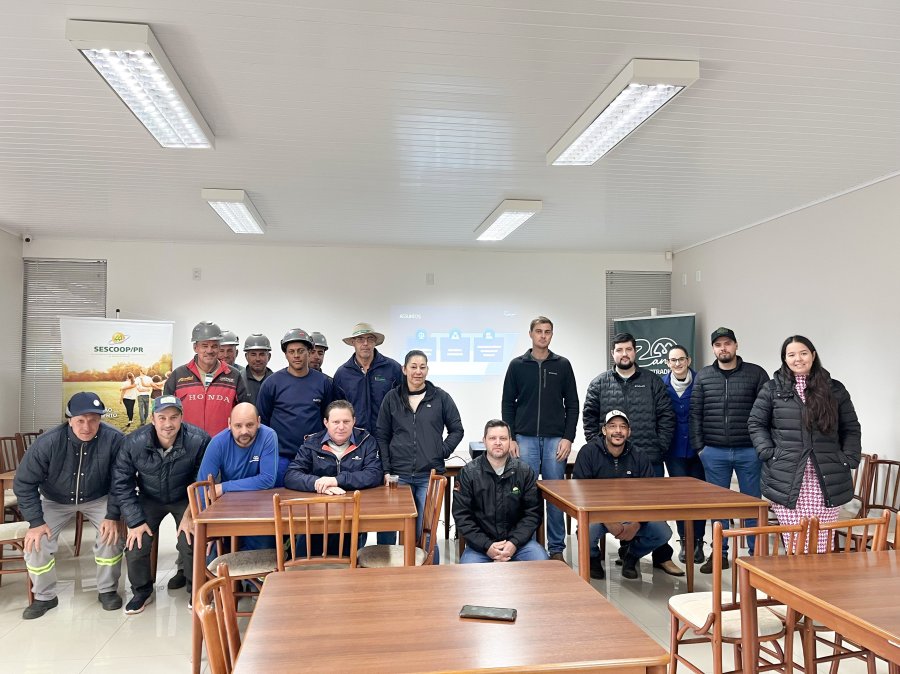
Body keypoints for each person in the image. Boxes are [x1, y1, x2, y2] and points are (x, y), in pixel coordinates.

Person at [13, 392, 125, 619]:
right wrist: (35, 522)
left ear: (101, 419)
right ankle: (44, 596)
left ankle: (107, 590)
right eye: (80, 420)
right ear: (69, 419)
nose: (87, 427)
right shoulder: (48, 442)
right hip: (55, 500)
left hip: (98, 497)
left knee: (111, 536)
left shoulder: (115, 439)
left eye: (93, 420)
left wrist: (112, 514)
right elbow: (24, 483)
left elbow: (121, 479)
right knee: (36, 542)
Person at [749, 336, 862, 552]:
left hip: (826, 476)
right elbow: (756, 423)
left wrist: (848, 458)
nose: (798, 359)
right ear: (784, 359)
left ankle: (819, 575)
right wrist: (768, 452)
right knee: (795, 543)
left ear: (813, 355)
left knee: (822, 542)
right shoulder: (772, 389)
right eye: (791, 355)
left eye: (803, 353)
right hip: (787, 475)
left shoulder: (834, 389)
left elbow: (851, 428)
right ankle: (795, 573)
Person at [581, 332, 676, 568]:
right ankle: (601, 556)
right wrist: (599, 448)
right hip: (610, 459)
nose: (624, 354)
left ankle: (659, 557)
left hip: (648, 458)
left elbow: (666, 415)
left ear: (635, 352)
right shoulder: (600, 383)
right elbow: (589, 417)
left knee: (651, 512)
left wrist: (659, 446)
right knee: (608, 511)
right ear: (613, 353)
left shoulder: (652, 381)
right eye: (619, 350)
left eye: (628, 349)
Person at [113, 395, 210, 614]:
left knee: (190, 539)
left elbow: (202, 480)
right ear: (153, 419)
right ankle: (142, 592)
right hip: (149, 498)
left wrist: (190, 514)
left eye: (174, 417)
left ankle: (196, 589)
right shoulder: (133, 442)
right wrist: (134, 521)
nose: (168, 424)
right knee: (137, 542)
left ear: (182, 418)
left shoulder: (199, 440)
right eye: (162, 417)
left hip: (185, 498)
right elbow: (122, 483)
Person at [690, 327, 769, 571]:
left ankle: (757, 556)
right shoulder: (704, 376)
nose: (723, 348)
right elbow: (696, 413)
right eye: (718, 345)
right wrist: (700, 447)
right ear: (713, 349)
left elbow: (768, 411)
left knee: (752, 504)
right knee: (718, 505)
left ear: (736, 345)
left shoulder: (756, 374)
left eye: (727, 343)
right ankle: (719, 554)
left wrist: (762, 445)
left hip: (749, 451)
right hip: (714, 452)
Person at [501, 316, 579, 562]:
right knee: (527, 495)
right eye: (538, 331)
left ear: (551, 335)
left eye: (547, 332)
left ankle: (556, 549)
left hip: (555, 439)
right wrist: (511, 437)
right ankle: (528, 546)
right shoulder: (517, 365)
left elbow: (573, 404)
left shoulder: (562, 365)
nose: (543, 335)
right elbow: (507, 403)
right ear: (531, 334)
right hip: (525, 439)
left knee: (555, 496)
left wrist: (568, 438)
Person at [573, 410, 681, 580]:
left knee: (663, 532)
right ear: (604, 430)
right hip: (599, 515)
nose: (618, 431)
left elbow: (650, 495)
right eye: (612, 426)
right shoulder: (588, 452)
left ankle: (631, 555)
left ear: (629, 432)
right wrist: (608, 521)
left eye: (623, 427)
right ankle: (593, 558)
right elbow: (579, 492)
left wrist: (637, 524)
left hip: (633, 515)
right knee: (586, 531)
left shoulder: (639, 455)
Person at [376, 350, 464, 553]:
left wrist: (441, 451)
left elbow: (457, 430)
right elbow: (382, 435)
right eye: (413, 367)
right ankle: (391, 567)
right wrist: (386, 470)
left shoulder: (441, 397)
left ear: (427, 370)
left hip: (429, 475)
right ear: (404, 369)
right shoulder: (392, 398)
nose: (418, 371)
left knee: (426, 529)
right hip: (399, 476)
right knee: (392, 525)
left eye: (422, 367)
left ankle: (428, 567)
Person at [283, 400, 382, 554]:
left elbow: (374, 474)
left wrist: (337, 480)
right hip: (315, 515)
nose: (341, 427)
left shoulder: (367, 441)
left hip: (353, 515)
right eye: (336, 422)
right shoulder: (312, 443)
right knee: (305, 558)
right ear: (326, 422)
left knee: (347, 560)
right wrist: (318, 483)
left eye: (346, 421)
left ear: (354, 421)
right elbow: (291, 475)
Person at [452, 419, 549, 564]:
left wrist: (514, 543)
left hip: (519, 546)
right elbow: (462, 516)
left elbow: (533, 513)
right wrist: (487, 546)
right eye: (492, 438)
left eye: (503, 438)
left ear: (510, 441)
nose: (498, 442)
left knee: (542, 563)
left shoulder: (524, 472)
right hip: (481, 548)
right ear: (484, 441)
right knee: (467, 573)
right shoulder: (468, 474)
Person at [256, 328, 341, 486]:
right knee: (278, 497)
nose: (296, 355)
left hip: (313, 456)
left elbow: (329, 420)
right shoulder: (271, 383)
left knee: (315, 498)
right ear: (286, 354)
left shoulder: (323, 382)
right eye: (291, 351)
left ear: (309, 352)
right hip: (280, 458)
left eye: (301, 351)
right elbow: (262, 421)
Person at [196, 402, 278, 550]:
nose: (244, 431)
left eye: (250, 425)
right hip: (228, 508)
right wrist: (207, 527)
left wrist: (224, 487)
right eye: (238, 426)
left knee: (264, 550)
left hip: (260, 507)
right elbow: (203, 486)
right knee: (212, 552)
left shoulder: (268, 436)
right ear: (229, 424)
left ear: (259, 422)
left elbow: (267, 479)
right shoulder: (218, 443)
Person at [164, 320, 249, 437]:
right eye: (204, 346)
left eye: (214, 346)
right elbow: (165, 413)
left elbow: (245, 413)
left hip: (223, 444)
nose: (209, 351)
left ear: (219, 347)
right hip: (186, 445)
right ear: (195, 347)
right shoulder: (178, 375)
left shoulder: (234, 376)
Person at [662, 344, 705, 564]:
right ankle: (685, 540)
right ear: (667, 363)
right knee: (680, 498)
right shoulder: (661, 386)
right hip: (673, 451)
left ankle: (698, 541)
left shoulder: (702, 382)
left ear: (688, 360)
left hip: (699, 450)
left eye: (681, 359)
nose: (677, 363)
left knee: (699, 498)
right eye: (673, 360)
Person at [333, 322, 402, 434]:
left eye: (370, 339)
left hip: (388, 436)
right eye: (360, 339)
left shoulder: (393, 368)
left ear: (375, 342)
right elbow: (337, 411)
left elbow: (405, 403)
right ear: (353, 342)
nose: (365, 343)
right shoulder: (342, 374)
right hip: (355, 438)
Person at [241, 333, 274, 405]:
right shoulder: (239, 380)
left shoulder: (276, 381)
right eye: (253, 354)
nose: (258, 359)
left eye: (262, 354)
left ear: (269, 356)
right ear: (246, 356)